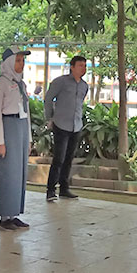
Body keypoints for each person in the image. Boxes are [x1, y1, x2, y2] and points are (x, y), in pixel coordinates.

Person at [0, 46, 31, 231]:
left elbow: (27, 112)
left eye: (22, 61)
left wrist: (29, 138)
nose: (21, 64)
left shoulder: (21, 84)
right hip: (8, 126)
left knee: (19, 172)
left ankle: (14, 213)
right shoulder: (1, 84)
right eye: (17, 60)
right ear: (8, 62)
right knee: (8, 172)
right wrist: (0, 141)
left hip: (21, 127)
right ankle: (4, 216)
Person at [44, 55, 89, 202]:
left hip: (76, 125)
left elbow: (80, 103)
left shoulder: (84, 86)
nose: (83, 68)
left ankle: (64, 188)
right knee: (59, 158)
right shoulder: (61, 82)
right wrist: (49, 118)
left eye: (85, 66)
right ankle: (51, 189)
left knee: (69, 158)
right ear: (72, 67)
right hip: (61, 124)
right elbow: (48, 98)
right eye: (80, 65)